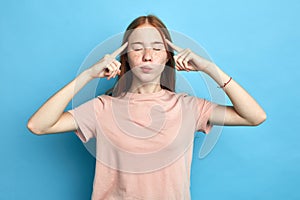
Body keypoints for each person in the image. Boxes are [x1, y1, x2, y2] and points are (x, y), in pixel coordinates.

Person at [27, 15, 266, 200]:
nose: (148, 56)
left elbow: (255, 116)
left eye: (157, 48)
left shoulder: (188, 107)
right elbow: (38, 125)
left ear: (167, 58)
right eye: (138, 48)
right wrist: (88, 75)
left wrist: (209, 68)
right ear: (127, 57)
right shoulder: (101, 108)